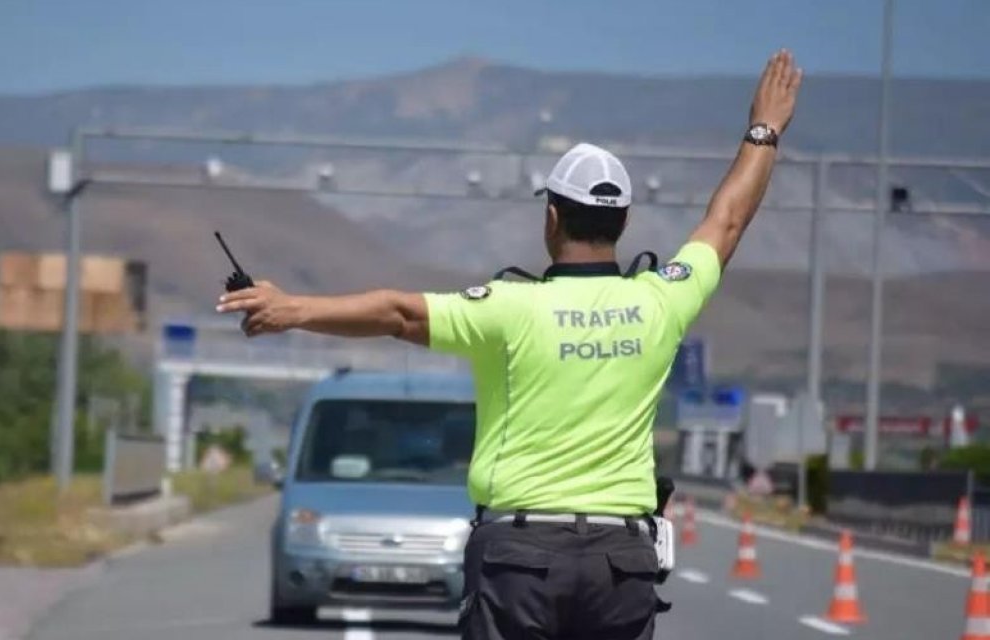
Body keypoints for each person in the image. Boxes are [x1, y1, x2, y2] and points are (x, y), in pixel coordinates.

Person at [217, 50, 802, 640]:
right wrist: (764, 129)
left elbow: (397, 313)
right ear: (623, 223)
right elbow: (726, 221)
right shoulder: (661, 302)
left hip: (519, 558)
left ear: (551, 217)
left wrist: (292, 309)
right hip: (622, 563)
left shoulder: (507, 308)